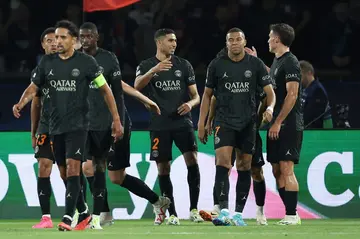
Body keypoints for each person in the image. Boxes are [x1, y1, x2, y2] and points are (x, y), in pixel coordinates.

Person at [12, 20, 123, 231]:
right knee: (64, 173)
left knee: (73, 168)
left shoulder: (87, 63)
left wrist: (116, 120)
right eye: (56, 37)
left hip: (78, 126)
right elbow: (33, 88)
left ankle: (66, 216)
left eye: (63, 37)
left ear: (74, 40)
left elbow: (106, 90)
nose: (58, 41)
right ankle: (84, 214)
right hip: (55, 127)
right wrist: (20, 103)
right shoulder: (47, 63)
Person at [79, 22, 171, 228]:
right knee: (88, 168)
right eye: (81, 37)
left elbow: (119, 89)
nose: (84, 41)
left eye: (88, 36)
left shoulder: (108, 59)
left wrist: (119, 119)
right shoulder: (77, 61)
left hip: (113, 122)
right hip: (88, 124)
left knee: (116, 177)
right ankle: (103, 213)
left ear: (96, 38)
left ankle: (157, 201)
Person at [197, 28, 275, 226]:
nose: (234, 43)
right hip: (224, 121)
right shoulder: (216, 65)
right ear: (226, 43)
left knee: (244, 166)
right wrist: (202, 122)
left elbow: (270, 92)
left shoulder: (255, 64)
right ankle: (223, 210)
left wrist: (271, 108)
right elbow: (207, 95)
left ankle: (238, 213)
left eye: (238, 39)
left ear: (244, 42)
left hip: (248, 123)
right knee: (222, 164)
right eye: (230, 40)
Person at [134, 28, 203, 225]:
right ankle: (171, 213)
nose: (174, 44)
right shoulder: (146, 65)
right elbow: (136, 86)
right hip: (159, 124)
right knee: (163, 168)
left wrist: (190, 104)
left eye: (175, 40)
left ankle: (194, 210)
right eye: (170, 40)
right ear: (159, 43)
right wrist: (154, 70)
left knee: (192, 160)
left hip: (183, 122)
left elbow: (196, 96)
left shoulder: (184, 65)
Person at [31, 27, 58, 229]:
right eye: (48, 40)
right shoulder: (40, 70)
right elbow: (36, 102)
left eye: (55, 40)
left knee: (70, 171)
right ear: (43, 45)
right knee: (43, 167)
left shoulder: (75, 65)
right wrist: (33, 132)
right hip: (46, 126)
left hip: (69, 126)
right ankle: (46, 217)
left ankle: (78, 212)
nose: (52, 43)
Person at [300, 60, 333, 129]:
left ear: (309, 73)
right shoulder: (305, 89)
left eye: (300, 75)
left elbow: (312, 118)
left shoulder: (317, 90)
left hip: (316, 134)